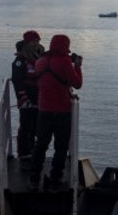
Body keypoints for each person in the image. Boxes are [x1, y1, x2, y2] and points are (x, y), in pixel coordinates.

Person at [28, 34, 83, 189]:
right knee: (61, 146)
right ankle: (55, 177)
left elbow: (47, 83)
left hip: (43, 111)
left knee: (41, 145)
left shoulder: (40, 61)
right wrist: (77, 66)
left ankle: (34, 177)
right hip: (62, 111)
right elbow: (77, 83)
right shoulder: (65, 61)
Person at [11, 30, 43, 159]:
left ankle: (32, 150)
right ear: (27, 43)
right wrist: (22, 97)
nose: (36, 44)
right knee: (25, 125)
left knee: (36, 125)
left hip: (38, 97)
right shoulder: (20, 61)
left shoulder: (39, 57)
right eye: (34, 41)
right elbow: (17, 80)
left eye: (37, 41)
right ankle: (24, 153)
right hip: (26, 98)